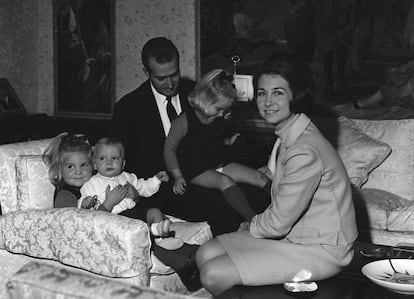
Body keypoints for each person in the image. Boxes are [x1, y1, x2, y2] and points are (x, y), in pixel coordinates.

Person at [195, 53, 358, 295]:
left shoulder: (304, 149)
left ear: (296, 95)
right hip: (295, 235)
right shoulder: (291, 131)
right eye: (262, 93)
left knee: (213, 273)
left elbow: (278, 222)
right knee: (205, 252)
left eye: (278, 92)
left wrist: (252, 225)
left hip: (321, 248)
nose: (268, 101)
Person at [110, 36, 270, 235]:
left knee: (256, 195)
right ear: (146, 72)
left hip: (206, 167)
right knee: (222, 208)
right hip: (166, 187)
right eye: (161, 78)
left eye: (174, 74)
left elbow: (217, 134)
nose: (169, 84)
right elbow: (119, 160)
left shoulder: (197, 92)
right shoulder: (128, 108)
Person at [42, 132, 202, 291]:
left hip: (126, 223)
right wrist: (108, 203)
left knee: (150, 223)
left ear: (92, 165)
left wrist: (135, 196)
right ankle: (183, 264)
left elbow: (131, 202)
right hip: (100, 239)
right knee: (146, 243)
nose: (78, 172)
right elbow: (79, 226)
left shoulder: (97, 181)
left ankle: (191, 251)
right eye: (70, 167)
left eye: (84, 165)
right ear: (60, 170)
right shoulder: (66, 194)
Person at [164, 69, 271, 222]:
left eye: (225, 110)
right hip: (193, 168)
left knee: (259, 176)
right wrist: (177, 176)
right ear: (205, 100)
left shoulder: (216, 117)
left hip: (214, 160)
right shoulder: (183, 121)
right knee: (225, 181)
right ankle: (254, 220)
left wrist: (229, 142)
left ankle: (286, 204)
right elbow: (169, 149)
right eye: (219, 109)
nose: (221, 114)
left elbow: (212, 140)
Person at [79, 137, 168, 219]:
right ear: (94, 164)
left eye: (114, 158)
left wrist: (156, 179)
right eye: (102, 158)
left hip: (134, 212)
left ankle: (158, 231)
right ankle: (150, 230)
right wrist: (84, 203)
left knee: (155, 212)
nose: (109, 162)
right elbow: (84, 205)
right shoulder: (92, 183)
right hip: (112, 218)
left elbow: (144, 187)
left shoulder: (128, 177)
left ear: (123, 164)